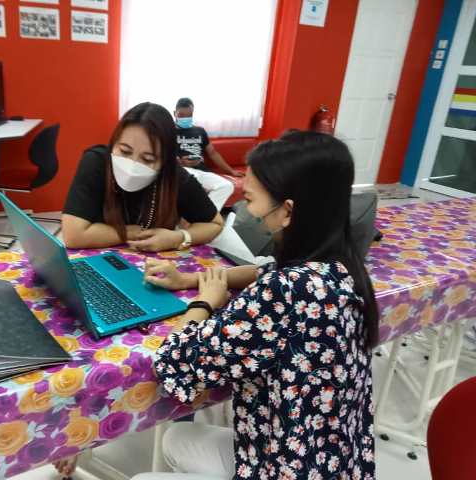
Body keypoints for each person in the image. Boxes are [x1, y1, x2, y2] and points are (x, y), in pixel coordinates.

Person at [133, 130, 378, 480]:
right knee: (176, 439)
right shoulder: (344, 268)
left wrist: (204, 302)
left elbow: (175, 362)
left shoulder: (284, 293)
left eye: (250, 199)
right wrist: (188, 279)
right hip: (329, 460)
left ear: (287, 211)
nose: (246, 211)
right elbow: (267, 270)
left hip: (284, 467)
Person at [62, 102, 224, 252]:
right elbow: (73, 235)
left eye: (148, 159)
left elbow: (214, 224)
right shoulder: (96, 162)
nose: (132, 166)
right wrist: (129, 232)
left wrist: (178, 237)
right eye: (124, 151)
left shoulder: (174, 177)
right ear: (113, 144)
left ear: (164, 162)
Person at [174, 97, 243, 211]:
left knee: (227, 186)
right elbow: (163, 154)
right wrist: (179, 163)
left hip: (201, 170)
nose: (185, 118)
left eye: (189, 115)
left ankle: (206, 215)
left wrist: (231, 171)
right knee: (193, 182)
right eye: (181, 115)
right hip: (182, 170)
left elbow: (213, 153)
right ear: (175, 114)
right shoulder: (169, 131)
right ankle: (203, 215)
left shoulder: (200, 131)